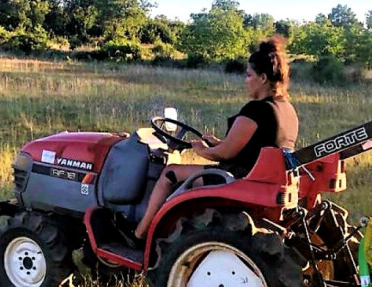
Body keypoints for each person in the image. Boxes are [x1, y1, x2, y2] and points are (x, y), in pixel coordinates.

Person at [128, 35, 299, 245]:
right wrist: (218, 142)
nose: (246, 81)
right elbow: (256, 146)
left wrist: (201, 149)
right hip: (263, 178)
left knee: (170, 172)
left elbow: (225, 154)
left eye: (248, 75)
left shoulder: (256, 109)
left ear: (263, 78)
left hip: (239, 179)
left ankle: (140, 234)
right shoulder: (286, 109)